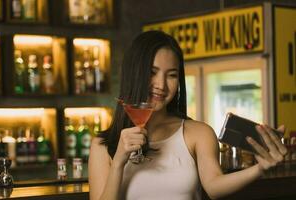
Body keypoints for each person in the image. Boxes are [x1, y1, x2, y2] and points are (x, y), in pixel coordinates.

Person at [88, 31, 287, 200]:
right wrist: (119, 161)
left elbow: (214, 186)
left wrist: (260, 168)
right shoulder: (102, 145)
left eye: (172, 75)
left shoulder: (198, 133)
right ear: (134, 74)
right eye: (152, 72)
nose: (161, 85)